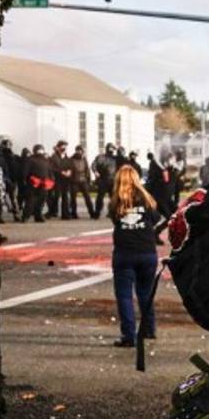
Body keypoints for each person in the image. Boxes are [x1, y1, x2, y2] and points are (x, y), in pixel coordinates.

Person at [108, 165, 160, 347]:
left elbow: (114, 219)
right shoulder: (146, 199)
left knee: (124, 295)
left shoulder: (116, 202)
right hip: (147, 251)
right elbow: (155, 218)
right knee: (145, 292)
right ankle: (148, 328)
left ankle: (129, 335)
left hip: (124, 252)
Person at [20, 144, 55, 223]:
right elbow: (25, 172)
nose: (40, 151)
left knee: (41, 200)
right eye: (38, 150)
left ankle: (38, 215)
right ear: (34, 151)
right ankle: (25, 216)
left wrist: (52, 179)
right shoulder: (30, 160)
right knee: (31, 200)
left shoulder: (46, 160)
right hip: (33, 183)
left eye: (41, 150)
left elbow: (49, 171)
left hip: (44, 183)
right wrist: (25, 180)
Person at [68, 145, 96, 219]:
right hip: (74, 181)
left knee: (87, 197)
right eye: (78, 150)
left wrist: (89, 180)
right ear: (76, 151)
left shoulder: (84, 159)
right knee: (73, 198)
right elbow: (69, 169)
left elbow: (87, 170)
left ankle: (92, 213)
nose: (79, 152)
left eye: (80, 150)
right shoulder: (71, 159)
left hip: (83, 180)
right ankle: (73, 213)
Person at [92, 145, 117, 219]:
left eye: (113, 149)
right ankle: (97, 212)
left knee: (113, 198)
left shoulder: (115, 158)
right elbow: (94, 165)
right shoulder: (101, 157)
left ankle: (112, 212)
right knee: (100, 197)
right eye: (110, 148)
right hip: (103, 179)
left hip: (112, 180)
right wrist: (95, 172)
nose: (112, 150)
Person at [47, 140, 70, 218]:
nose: (64, 148)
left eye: (65, 147)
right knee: (56, 196)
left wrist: (69, 171)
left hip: (65, 180)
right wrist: (61, 172)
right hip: (57, 179)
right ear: (59, 147)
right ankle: (52, 212)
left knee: (65, 196)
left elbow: (69, 165)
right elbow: (52, 168)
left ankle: (65, 214)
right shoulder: (54, 157)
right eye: (63, 147)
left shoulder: (66, 156)